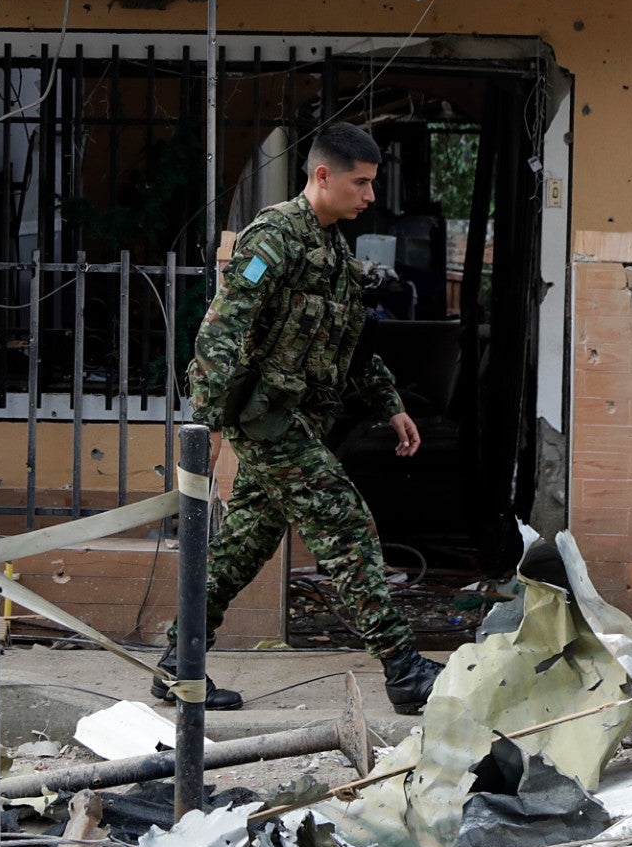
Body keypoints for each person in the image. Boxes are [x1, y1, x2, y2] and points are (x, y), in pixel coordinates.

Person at [151, 122, 444, 716]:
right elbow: (222, 330)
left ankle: (177, 667)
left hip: (298, 419)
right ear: (322, 176)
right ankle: (404, 670)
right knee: (345, 520)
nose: (369, 196)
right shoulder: (274, 238)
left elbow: (350, 344)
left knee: (241, 549)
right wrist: (203, 427)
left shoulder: (333, 248)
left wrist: (390, 404)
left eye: (372, 184)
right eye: (360, 183)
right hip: (265, 419)